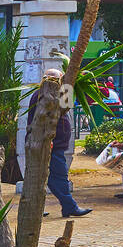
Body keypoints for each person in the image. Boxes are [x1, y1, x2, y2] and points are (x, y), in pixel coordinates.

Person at [27, 68, 92, 218]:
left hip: (55, 144)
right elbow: (40, 121)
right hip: (48, 144)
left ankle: (45, 207)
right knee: (56, 176)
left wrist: (71, 83)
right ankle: (69, 206)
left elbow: (67, 105)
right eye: (59, 80)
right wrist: (46, 140)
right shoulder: (42, 95)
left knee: (47, 177)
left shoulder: (56, 94)